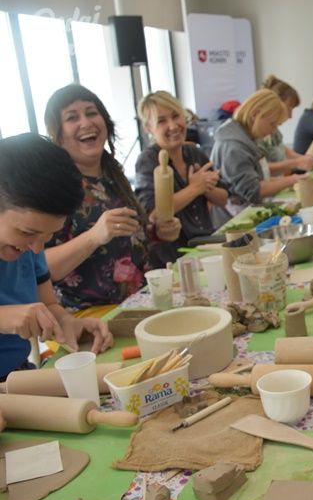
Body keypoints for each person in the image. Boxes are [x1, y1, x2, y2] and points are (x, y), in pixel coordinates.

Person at [43, 84, 182, 313]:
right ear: (57, 134)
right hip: (90, 318)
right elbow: (39, 266)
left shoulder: (112, 172)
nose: (86, 122)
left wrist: (157, 232)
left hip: (140, 304)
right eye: (72, 117)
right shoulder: (54, 186)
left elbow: (129, 238)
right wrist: (93, 237)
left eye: (91, 112)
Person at [0, 134, 113, 381]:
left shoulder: (29, 246)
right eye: (27, 233)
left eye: (49, 235)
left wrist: (67, 322)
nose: (37, 249)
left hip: (16, 376)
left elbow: (49, 304)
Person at [134, 91, 229, 249]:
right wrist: (195, 188)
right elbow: (153, 214)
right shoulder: (147, 160)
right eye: (162, 121)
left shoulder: (194, 152)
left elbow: (223, 198)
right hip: (174, 253)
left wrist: (206, 188)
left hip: (206, 242)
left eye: (176, 116)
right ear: (148, 128)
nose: (173, 126)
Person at [211, 88, 304, 206]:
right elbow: (254, 191)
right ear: (255, 114)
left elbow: (259, 177)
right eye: (272, 124)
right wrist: (291, 180)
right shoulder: (234, 147)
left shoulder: (248, 138)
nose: (273, 131)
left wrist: (286, 180)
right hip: (238, 210)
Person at [257, 75, 313, 175]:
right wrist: (296, 163)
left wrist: (304, 159)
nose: (290, 116)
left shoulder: (274, 131)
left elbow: (283, 149)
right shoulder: (258, 134)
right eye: (289, 109)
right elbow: (259, 170)